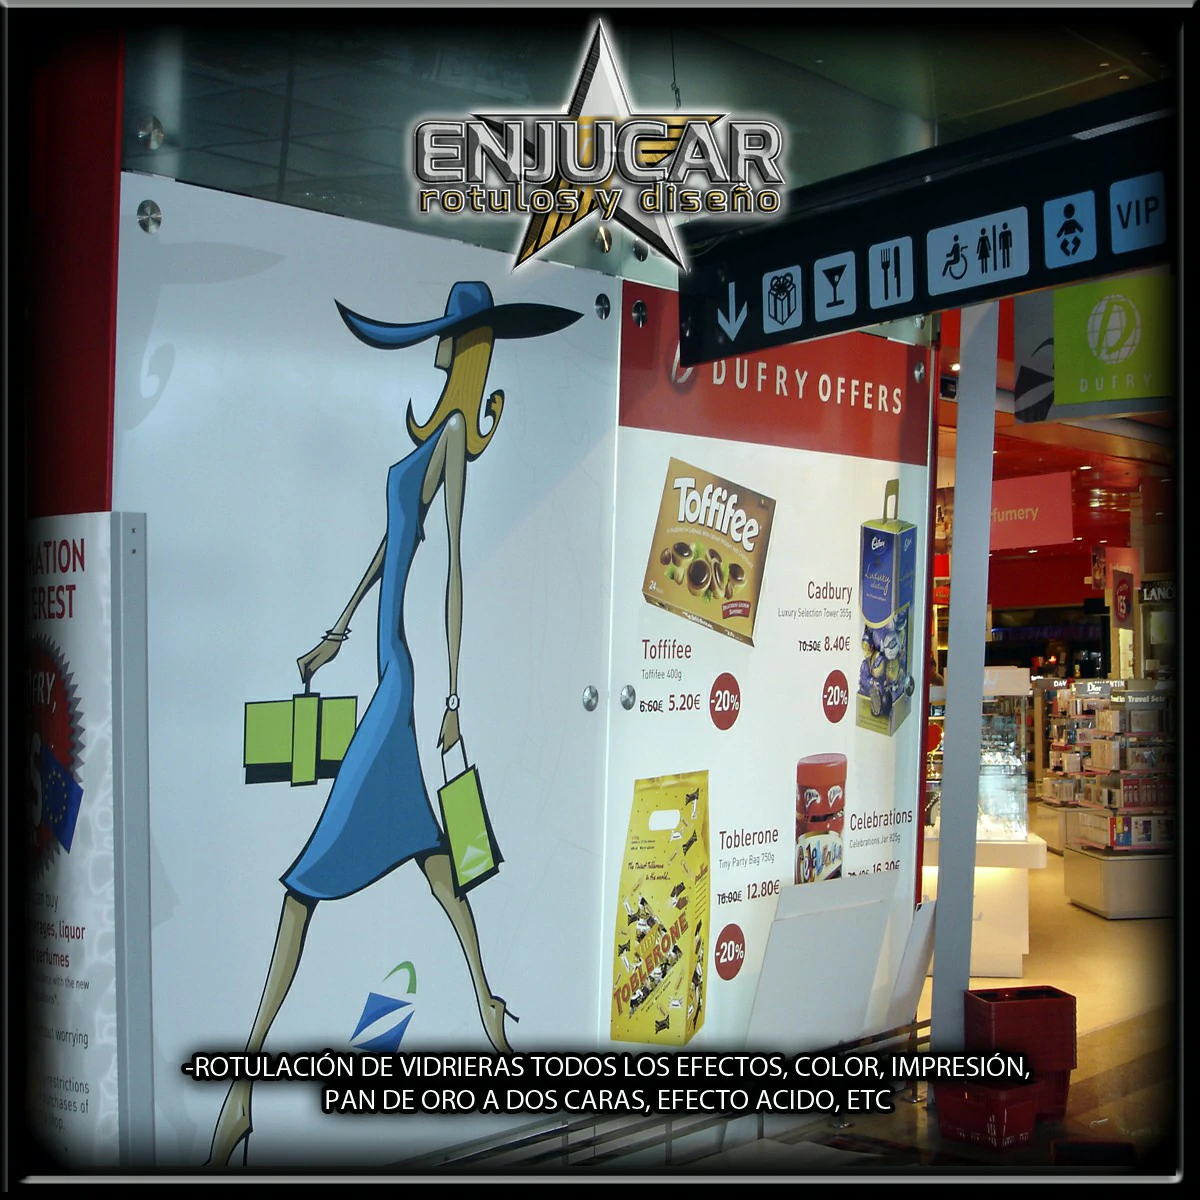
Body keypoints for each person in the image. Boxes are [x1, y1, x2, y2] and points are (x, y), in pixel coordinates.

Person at [206, 281, 582, 1166]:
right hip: (382, 668)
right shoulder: (430, 439)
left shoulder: (450, 443)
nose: (440, 347)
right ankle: (489, 1006)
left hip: (401, 687)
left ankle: (240, 1093)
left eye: (449, 335)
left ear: (462, 346)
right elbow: (392, 546)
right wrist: (336, 630)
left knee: (304, 886)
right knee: (440, 870)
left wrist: (450, 701)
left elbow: (451, 570)